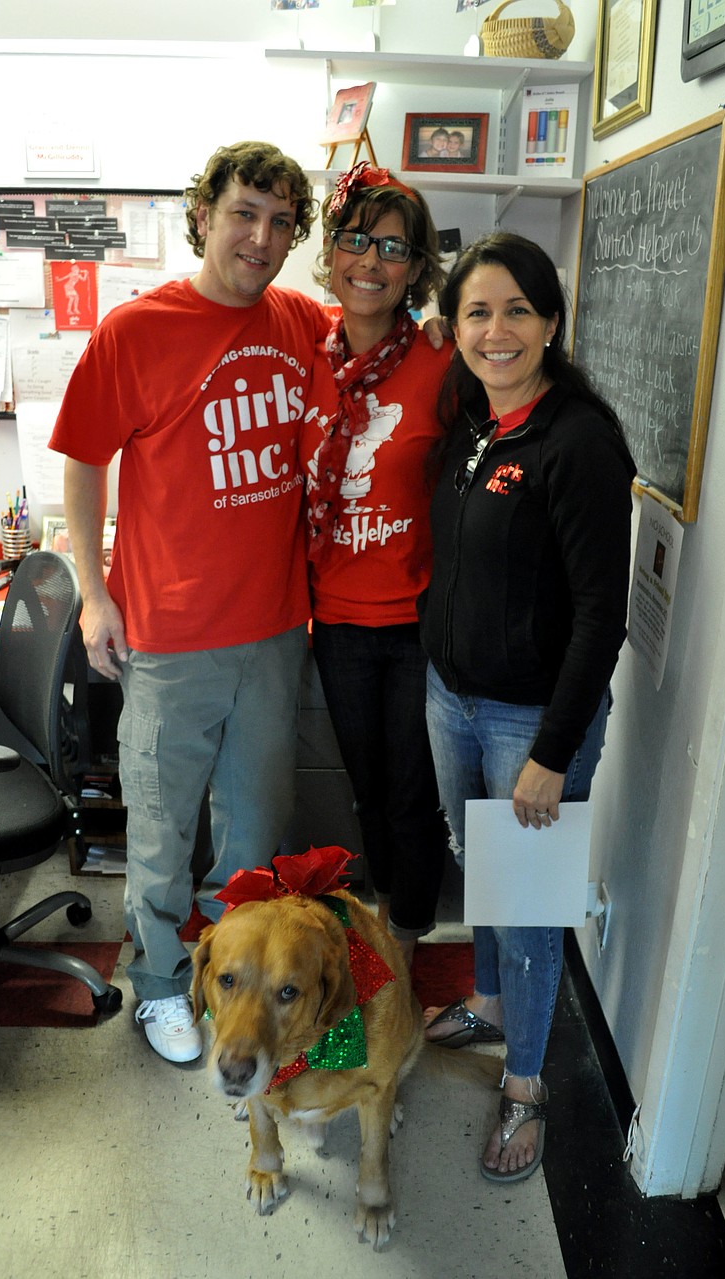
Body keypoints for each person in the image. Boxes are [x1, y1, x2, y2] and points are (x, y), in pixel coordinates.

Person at [49, 141, 329, 1064]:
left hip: (277, 630)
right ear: (203, 214)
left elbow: (378, 348)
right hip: (168, 636)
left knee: (254, 830)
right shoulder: (136, 329)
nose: (262, 236)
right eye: (245, 213)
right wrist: (94, 596)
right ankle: (164, 985)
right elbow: (83, 467)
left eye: (283, 221)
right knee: (164, 829)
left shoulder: (302, 322)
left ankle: (235, 976)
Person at [418, 232, 635, 1182]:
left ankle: (526, 1088)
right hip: (451, 697)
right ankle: (494, 1007)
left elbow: (603, 613)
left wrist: (552, 749)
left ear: (551, 321)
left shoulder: (579, 440)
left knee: (531, 906)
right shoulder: (472, 417)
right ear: (454, 326)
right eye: (477, 311)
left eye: (517, 310)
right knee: (486, 877)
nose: (496, 329)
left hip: (528, 724)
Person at [302, 162, 451, 966]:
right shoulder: (301, 352)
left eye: (393, 247)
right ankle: (391, 914)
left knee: (413, 797)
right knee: (368, 788)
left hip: (420, 623)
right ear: (331, 252)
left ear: (416, 271)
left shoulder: (444, 359)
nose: (371, 260)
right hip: (338, 624)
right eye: (356, 239)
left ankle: (408, 938)